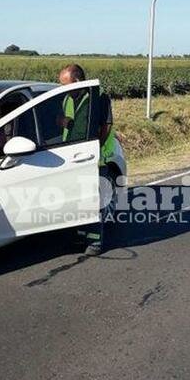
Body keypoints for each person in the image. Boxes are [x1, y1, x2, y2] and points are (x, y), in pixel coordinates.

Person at [58, 64, 117, 256]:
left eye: (65, 84)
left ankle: (95, 241)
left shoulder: (98, 98)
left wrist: (95, 149)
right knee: (76, 201)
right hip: (71, 158)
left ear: (77, 81)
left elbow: (106, 125)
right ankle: (79, 236)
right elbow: (68, 123)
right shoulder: (67, 98)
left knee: (91, 202)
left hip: (93, 158)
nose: (63, 88)